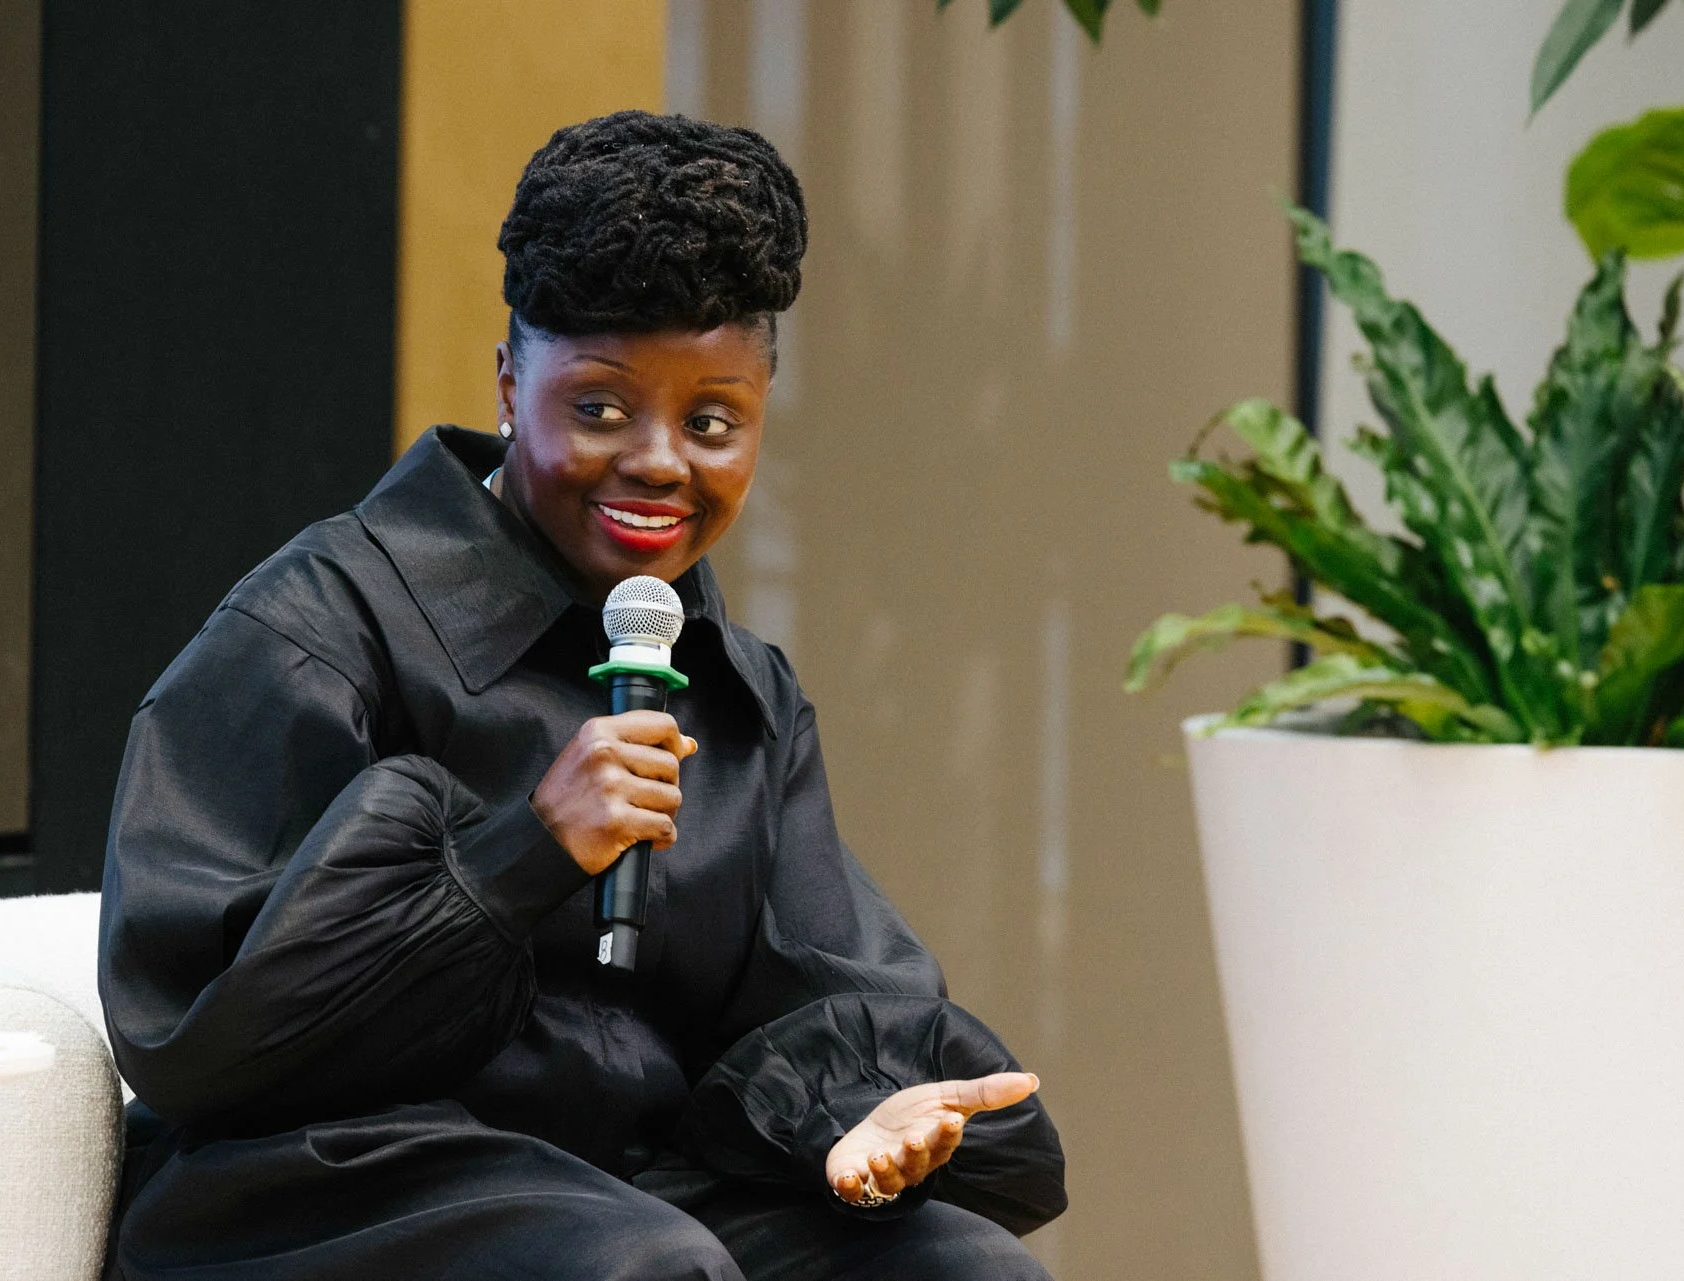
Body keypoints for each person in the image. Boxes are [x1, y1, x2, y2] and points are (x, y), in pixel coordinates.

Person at [98, 110, 1066, 1281]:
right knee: (640, 1265)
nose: (661, 460)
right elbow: (194, 1038)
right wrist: (516, 857)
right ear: (511, 384)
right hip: (326, 1185)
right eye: (601, 408)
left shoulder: (742, 693)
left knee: (959, 1270)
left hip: (622, 1185)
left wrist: (857, 1119)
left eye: (712, 421)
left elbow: (823, 986)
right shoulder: (318, 627)